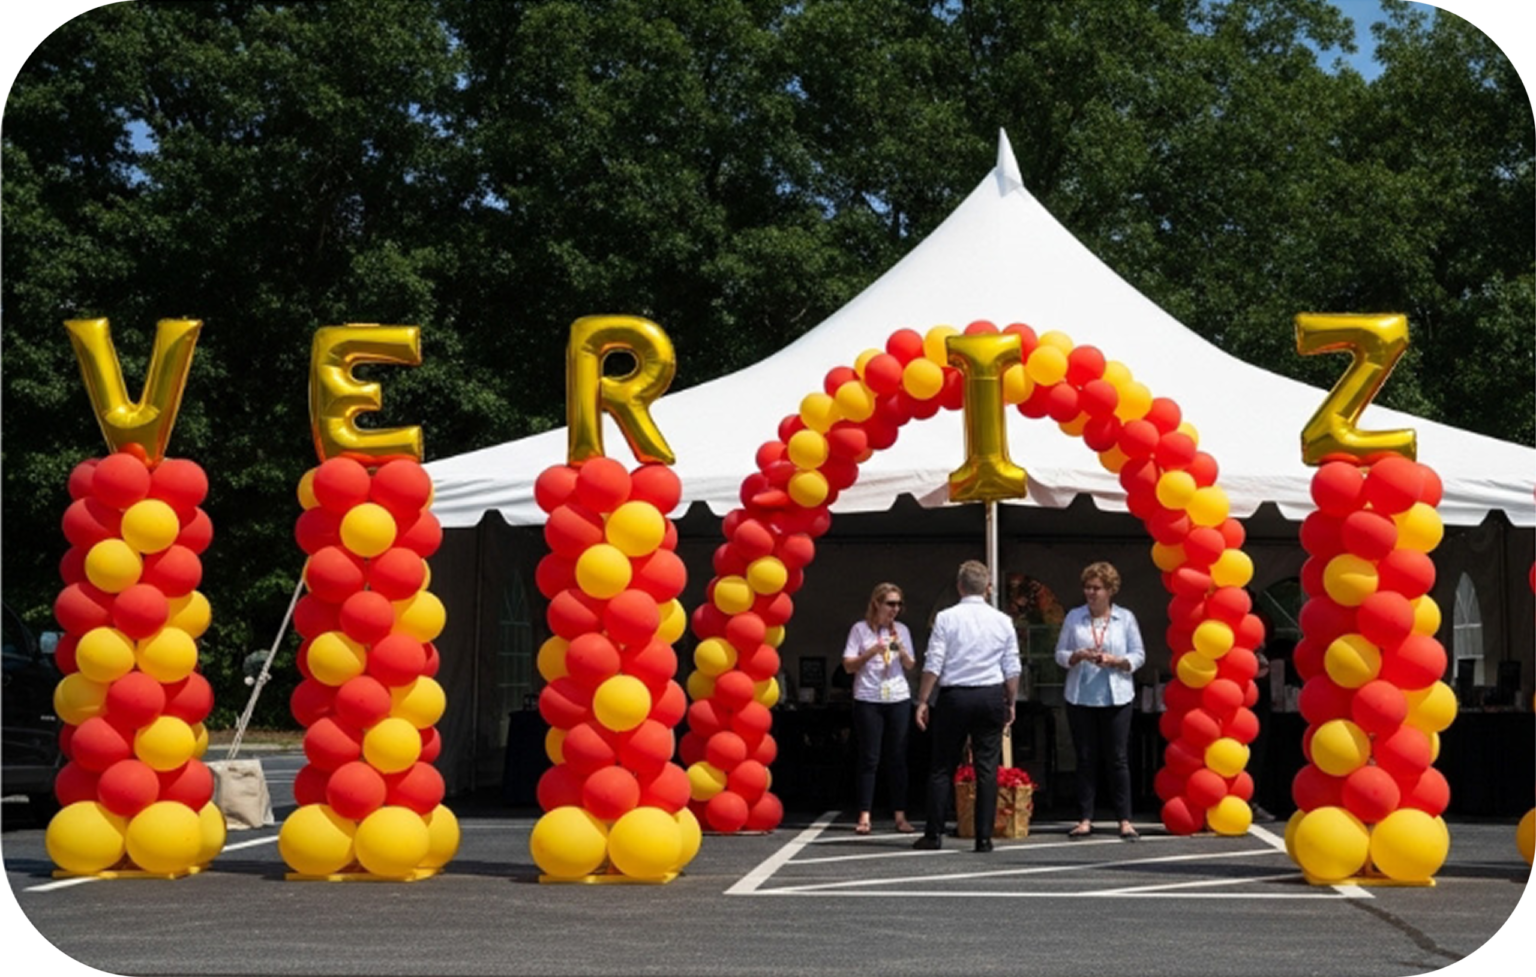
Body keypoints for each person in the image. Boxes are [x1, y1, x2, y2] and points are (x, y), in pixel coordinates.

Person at [912, 560, 1021, 853]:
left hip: (955, 696)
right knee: (987, 767)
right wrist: (1011, 700)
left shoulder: (946, 618)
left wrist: (923, 699)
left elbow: (933, 662)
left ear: (959, 586)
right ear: (988, 588)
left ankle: (933, 834)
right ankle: (983, 837)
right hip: (989, 694)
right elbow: (1012, 666)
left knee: (941, 766)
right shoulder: (1002, 620)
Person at [1056, 561, 1145, 841]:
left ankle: (1125, 819)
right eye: (1087, 587)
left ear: (1110, 591)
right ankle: (1084, 818)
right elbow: (1059, 653)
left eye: (1097, 588)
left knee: (1117, 758)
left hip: (1116, 695)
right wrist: (1077, 655)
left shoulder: (1125, 618)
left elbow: (1139, 654)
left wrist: (1118, 661)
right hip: (1081, 696)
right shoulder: (1074, 617)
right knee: (1085, 757)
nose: (1091, 593)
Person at [842, 582, 917, 834]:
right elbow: (848, 666)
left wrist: (902, 648)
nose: (895, 609)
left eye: (898, 604)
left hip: (897, 697)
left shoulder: (902, 630)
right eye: (890, 604)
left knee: (897, 757)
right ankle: (864, 814)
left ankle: (900, 815)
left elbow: (909, 665)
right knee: (869, 758)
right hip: (868, 697)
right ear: (877, 604)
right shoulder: (860, 630)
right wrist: (871, 652)